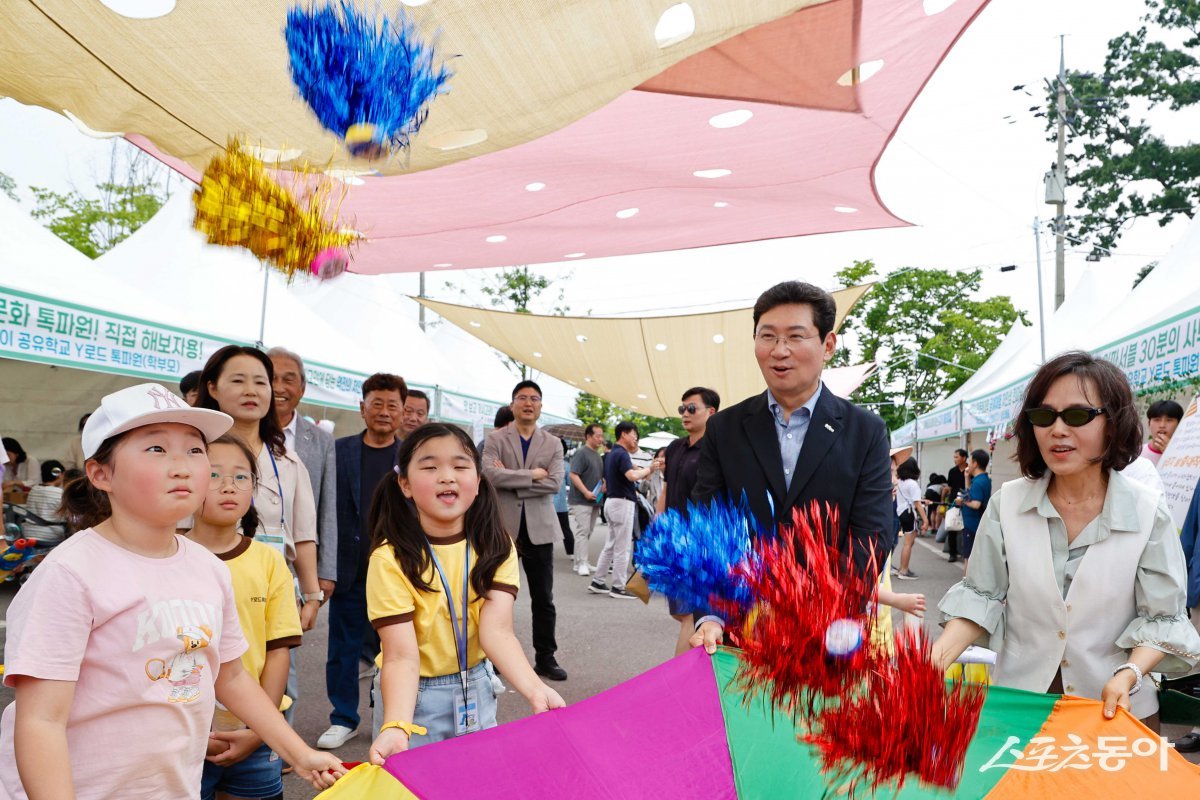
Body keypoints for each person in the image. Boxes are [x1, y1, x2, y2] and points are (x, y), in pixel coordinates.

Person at [0, 383, 343, 798]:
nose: (182, 466)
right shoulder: (69, 574)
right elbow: (41, 722)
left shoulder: (206, 568)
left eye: (195, 450)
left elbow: (231, 675)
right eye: (156, 449)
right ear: (101, 473)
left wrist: (300, 753)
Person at [933, 351, 1200, 727]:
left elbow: (1162, 619)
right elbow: (981, 597)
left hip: (1117, 711)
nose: (1057, 430)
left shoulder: (1146, 511)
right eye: (1044, 416)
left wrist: (1130, 674)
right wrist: (930, 662)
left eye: (1077, 416)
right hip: (1021, 707)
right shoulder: (1007, 504)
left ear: (1114, 422)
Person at [691, 281, 893, 653]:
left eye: (795, 337)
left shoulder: (866, 431)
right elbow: (708, 529)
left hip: (829, 628)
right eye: (767, 336)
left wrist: (811, 604)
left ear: (828, 345)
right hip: (737, 628)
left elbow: (874, 535)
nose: (779, 351)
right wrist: (711, 615)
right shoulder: (725, 428)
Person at [366, 424, 565, 760]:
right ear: (405, 484)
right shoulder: (389, 558)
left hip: (477, 687)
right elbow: (400, 655)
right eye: (430, 467)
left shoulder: (497, 546)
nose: (447, 476)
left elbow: (498, 632)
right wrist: (397, 723)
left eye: (460, 466)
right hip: (413, 695)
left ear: (477, 481)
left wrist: (536, 689)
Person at [187, 434, 304, 800]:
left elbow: (278, 651)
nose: (228, 487)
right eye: (214, 475)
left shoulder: (268, 561)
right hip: (183, 735)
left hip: (254, 731)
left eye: (241, 477)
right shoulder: (167, 554)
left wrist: (260, 730)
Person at [321, 372, 407, 750]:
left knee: (397, 647)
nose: (384, 412)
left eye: (392, 405)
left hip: (398, 568)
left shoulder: (411, 456)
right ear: (362, 408)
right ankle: (344, 718)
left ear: (404, 412)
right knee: (342, 648)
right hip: (349, 566)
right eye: (377, 403)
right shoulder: (338, 451)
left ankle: (393, 719)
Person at [482, 381, 568, 681]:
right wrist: (532, 474)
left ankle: (546, 657)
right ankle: (492, 657)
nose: (528, 403)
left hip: (540, 530)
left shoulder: (552, 443)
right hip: (502, 528)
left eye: (534, 398)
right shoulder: (496, 438)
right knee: (495, 596)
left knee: (543, 597)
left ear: (540, 405)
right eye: (522, 398)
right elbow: (489, 475)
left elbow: (555, 483)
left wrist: (510, 476)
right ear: (513, 403)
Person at [268, 347, 338, 604]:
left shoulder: (321, 440)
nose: (278, 387)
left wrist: (326, 570)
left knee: (287, 639)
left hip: (297, 565)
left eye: (288, 380)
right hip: (243, 556)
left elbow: (328, 507)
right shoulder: (237, 430)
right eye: (271, 378)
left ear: (302, 387)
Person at [654, 387, 720, 655]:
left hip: (699, 541)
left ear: (711, 412)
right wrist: (658, 525)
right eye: (682, 409)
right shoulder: (674, 447)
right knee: (679, 612)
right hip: (672, 536)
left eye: (692, 408)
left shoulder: (719, 449)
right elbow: (667, 489)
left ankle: (679, 679)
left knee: (690, 614)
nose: (685, 414)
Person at [590, 421, 659, 600]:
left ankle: (598, 581)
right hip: (622, 503)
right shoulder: (621, 454)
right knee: (622, 547)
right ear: (623, 435)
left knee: (611, 545)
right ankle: (618, 587)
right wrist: (650, 468)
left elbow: (635, 471)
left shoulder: (614, 453)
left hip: (612, 502)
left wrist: (647, 469)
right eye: (633, 433)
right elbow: (632, 475)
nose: (635, 437)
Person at [567, 423, 605, 576]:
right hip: (581, 499)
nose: (601, 439)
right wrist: (586, 492)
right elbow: (573, 474)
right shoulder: (582, 452)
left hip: (595, 498)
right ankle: (581, 562)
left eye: (602, 436)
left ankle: (581, 561)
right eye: (598, 436)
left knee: (588, 531)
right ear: (588, 436)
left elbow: (597, 475)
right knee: (583, 531)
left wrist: (603, 483)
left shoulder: (597, 454)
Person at [954, 449, 992, 570]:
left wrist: (962, 501)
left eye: (970, 461)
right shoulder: (984, 479)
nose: (968, 464)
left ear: (975, 463)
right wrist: (967, 478)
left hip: (972, 524)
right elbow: (971, 494)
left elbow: (975, 503)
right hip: (978, 523)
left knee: (968, 558)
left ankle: (967, 585)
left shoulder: (978, 482)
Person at [893, 457, 929, 580]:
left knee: (908, 542)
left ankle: (903, 568)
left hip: (902, 512)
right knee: (908, 543)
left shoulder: (901, 482)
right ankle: (903, 571)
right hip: (909, 513)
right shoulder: (912, 484)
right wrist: (925, 520)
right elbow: (917, 503)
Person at [18, 459, 68, 545]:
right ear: (59, 475)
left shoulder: (33, 490)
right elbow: (69, 516)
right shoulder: (60, 493)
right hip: (50, 536)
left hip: (28, 534)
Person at [1141, 399, 1184, 465]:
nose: (1162, 425)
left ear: (1179, 424)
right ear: (1149, 424)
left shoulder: (1187, 456)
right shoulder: (1136, 453)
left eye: (1169, 420)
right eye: (1157, 420)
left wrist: (1171, 454)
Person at [553, 439, 573, 557]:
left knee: (544, 531)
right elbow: (570, 483)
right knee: (565, 529)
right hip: (560, 504)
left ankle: (545, 553)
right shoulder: (566, 465)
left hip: (546, 503)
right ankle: (572, 552)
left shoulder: (544, 463)